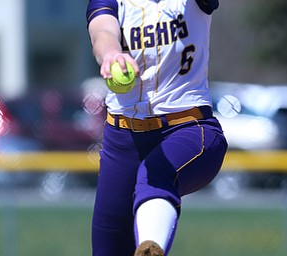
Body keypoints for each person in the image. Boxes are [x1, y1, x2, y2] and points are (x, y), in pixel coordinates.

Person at [86, 0, 228, 255]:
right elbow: (102, 30)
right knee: (108, 248)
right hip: (123, 140)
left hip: (188, 127)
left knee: (157, 175)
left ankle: (150, 250)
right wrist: (110, 54)